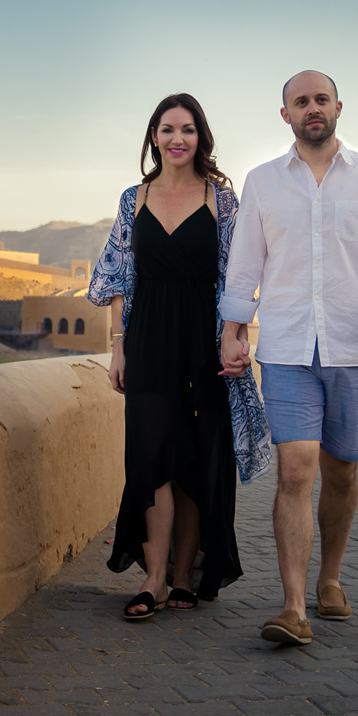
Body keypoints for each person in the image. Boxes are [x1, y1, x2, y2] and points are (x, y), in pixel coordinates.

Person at [220, 70, 358, 647]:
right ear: (285, 114)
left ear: (338, 108)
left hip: (356, 347)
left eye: (321, 99)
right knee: (296, 470)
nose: (312, 108)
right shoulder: (262, 182)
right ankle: (291, 608)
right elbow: (245, 265)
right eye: (300, 101)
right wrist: (234, 330)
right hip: (284, 347)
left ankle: (330, 579)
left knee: (342, 469)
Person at [87, 93, 271, 621]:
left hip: (205, 341)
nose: (177, 139)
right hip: (147, 339)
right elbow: (120, 277)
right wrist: (118, 347)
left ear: (201, 138)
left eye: (187, 130)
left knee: (197, 459)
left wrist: (233, 337)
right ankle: (153, 578)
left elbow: (238, 279)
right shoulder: (133, 198)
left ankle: (185, 575)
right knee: (151, 459)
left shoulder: (222, 202)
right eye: (167, 129)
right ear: (153, 136)